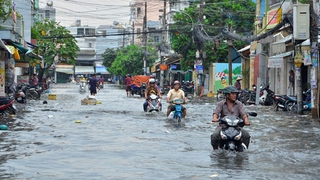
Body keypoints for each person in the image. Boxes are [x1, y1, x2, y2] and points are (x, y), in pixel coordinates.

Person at [211, 85, 251, 151]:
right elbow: (216, 112)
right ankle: (215, 150)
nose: (235, 95)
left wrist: (246, 121)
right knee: (214, 136)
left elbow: (244, 114)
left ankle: (245, 150)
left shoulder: (239, 104)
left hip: (236, 127)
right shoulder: (221, 104)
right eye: (232, 94)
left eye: (236, 94)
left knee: (246, 135)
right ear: (227, 95)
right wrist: (215, 118)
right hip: (223, 127)